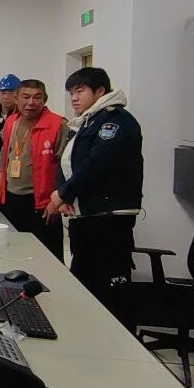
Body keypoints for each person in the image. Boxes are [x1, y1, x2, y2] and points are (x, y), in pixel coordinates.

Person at [46, 67, 144, 307]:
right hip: (85, 215)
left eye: (80, 91)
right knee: (83, 284)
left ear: (100, 91)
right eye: (71, 93)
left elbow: (96, 164)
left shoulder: (116, 121)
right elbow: (66, 161)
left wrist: (63, 194)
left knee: (109, 290)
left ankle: (120, 331)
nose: (74, 98)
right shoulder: (86, 121)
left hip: (108, 218)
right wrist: (64, 192)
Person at [0, 79, 69, 260]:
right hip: (11, 198)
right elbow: (4, 154)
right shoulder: (11, 121)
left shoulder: (58, 125)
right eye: (25, 97)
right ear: (16, 99)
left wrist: (57, 200)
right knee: (13, 252)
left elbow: (66, 168)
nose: (31, 103)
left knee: (45, 257)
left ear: (45, 99)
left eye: (37, 97)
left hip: (42, 203)